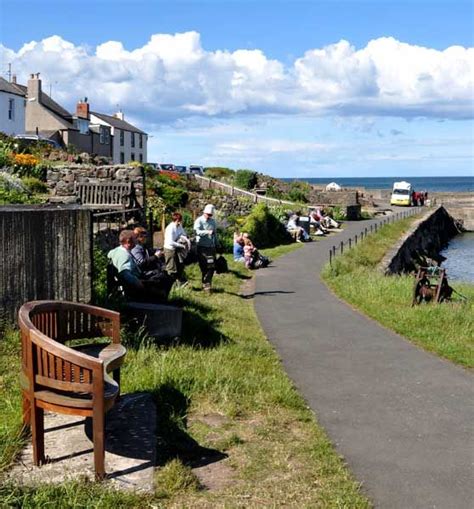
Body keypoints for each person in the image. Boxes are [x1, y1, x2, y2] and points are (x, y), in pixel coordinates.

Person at [108, 229, 172, 303]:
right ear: (128, 241)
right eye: (135, 239)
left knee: (162, 276)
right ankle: (162, 304)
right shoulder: (124, 255)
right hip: (134, 286)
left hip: (136, 280)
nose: (136, 241)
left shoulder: (117, 250)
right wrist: (138, 283)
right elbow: (124, 273)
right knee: (164, 278)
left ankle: (163, 301)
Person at [194, 204, 218, 292]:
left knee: (211, 266)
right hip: (202, 247)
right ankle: (204, 283)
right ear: (204, 213)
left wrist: (217, 243)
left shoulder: (213, 222)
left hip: (211, 248)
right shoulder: (199, 221)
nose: (209, 216)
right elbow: (197, 232)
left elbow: (215, 234)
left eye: (211, 215)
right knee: (204, 266)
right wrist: (207, 232)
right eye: (208, 214)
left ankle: (208, 284)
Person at [163, 212, 189, 286]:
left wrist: (185, 239)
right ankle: (170, 285)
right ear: (176, 220)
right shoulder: (170, 228)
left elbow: (183, 234)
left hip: (177, 248)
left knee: (179, 266)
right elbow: (170, 242)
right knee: (171, 268)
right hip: (169, 249)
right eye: (179, 220)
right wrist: (181, 245)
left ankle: (179, 283)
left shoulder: (179, 226)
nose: (180, 222)